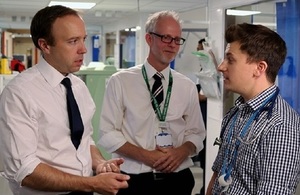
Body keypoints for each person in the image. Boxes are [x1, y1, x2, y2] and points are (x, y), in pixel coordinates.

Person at [0, 5, 129, 195]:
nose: (83, 49)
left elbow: (85, 140)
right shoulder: (19, 93)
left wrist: (100, 164)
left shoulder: (78, 87)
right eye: (72, 41)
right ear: (45, 45)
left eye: (83, 39)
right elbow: (24, 170)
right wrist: (92, 184)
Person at [99, 10, 206, 195]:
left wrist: (182, 151)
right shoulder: (121, 81)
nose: (172, 45)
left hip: (177, 179)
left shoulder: (186, 86)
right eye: (166, 38)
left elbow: (197, 133)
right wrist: (147, 156)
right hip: (135, 181)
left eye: (177, 39)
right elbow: (108, 133)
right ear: (149, 39)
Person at [206, 23, 300, 195]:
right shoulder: (236, 111)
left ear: (260, 68)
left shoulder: (280, 126)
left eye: (230, 59)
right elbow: (218, 170)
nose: (221, 67)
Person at [194, 38, 207, 195]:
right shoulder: (203, 68)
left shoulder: (211, 70)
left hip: (206, 113)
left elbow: (205, 95)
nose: (198, 53)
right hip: (201, 114)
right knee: (202, 155)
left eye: (200, 49)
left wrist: (193, 96)